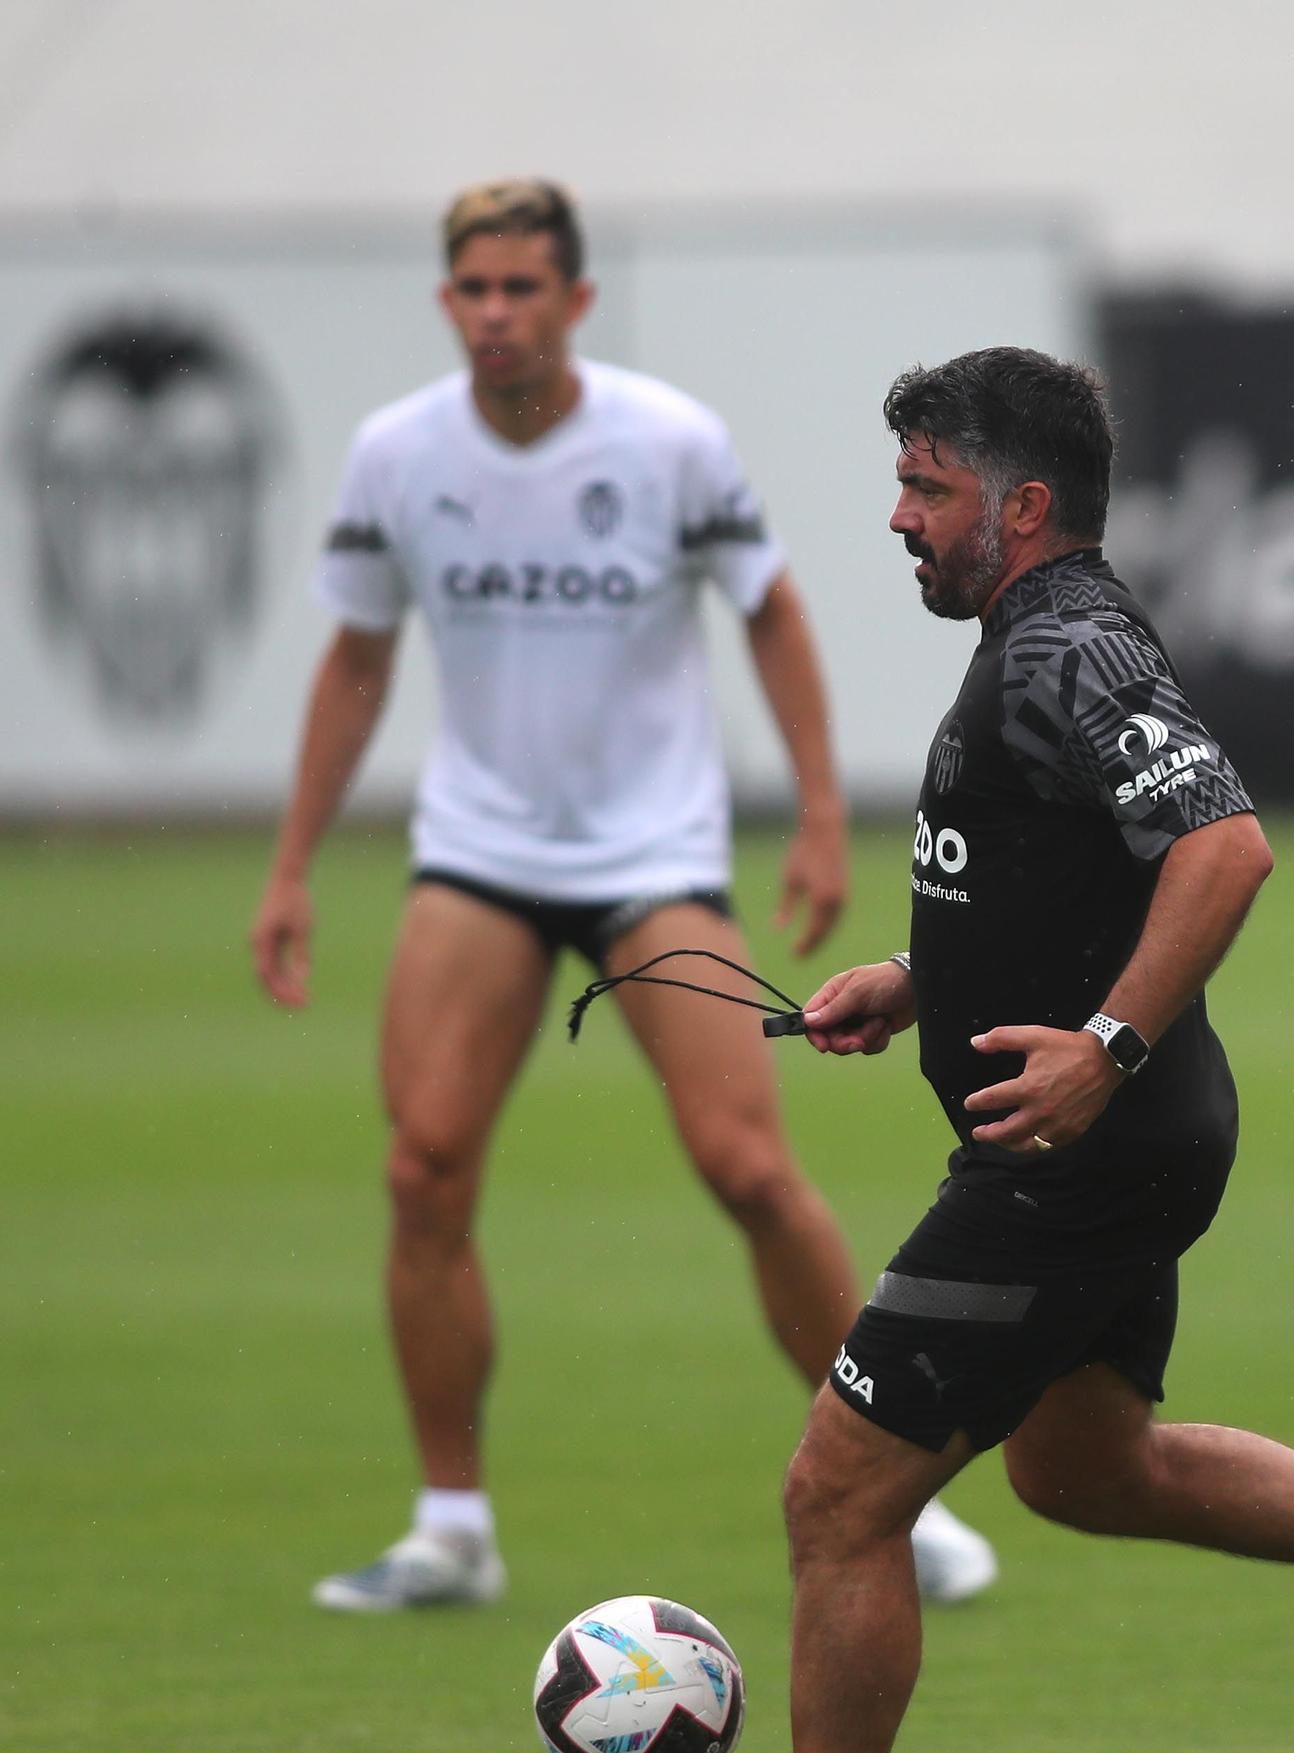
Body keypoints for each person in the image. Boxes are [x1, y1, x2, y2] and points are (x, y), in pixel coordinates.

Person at [593, 347, 1294, 1753]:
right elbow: (1069, 870)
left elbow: (1225, 847)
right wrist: (925, 984)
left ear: (1023, 503)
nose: (900, 517)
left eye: (929, 487)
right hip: (1128, 1138)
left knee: (839, 1494)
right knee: (1084, 1470)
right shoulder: (1038, 643)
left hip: (1084, 1156)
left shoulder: (1069, 646)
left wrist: (1101, 1049)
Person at [250, 180, 995, 1613]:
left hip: (654, 860)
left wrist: (825, 818)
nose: (497, 315)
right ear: (447, 302)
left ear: (576, 302)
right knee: (423, 1168)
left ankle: (904, 1481)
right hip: (479, 853)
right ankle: (451, 1526)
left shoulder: (666, 443)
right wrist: (289, 865)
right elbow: (355, 662)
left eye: (524, 289)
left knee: (750, 1168)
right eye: (473, 290)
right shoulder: (397, 455)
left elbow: (769, 608)